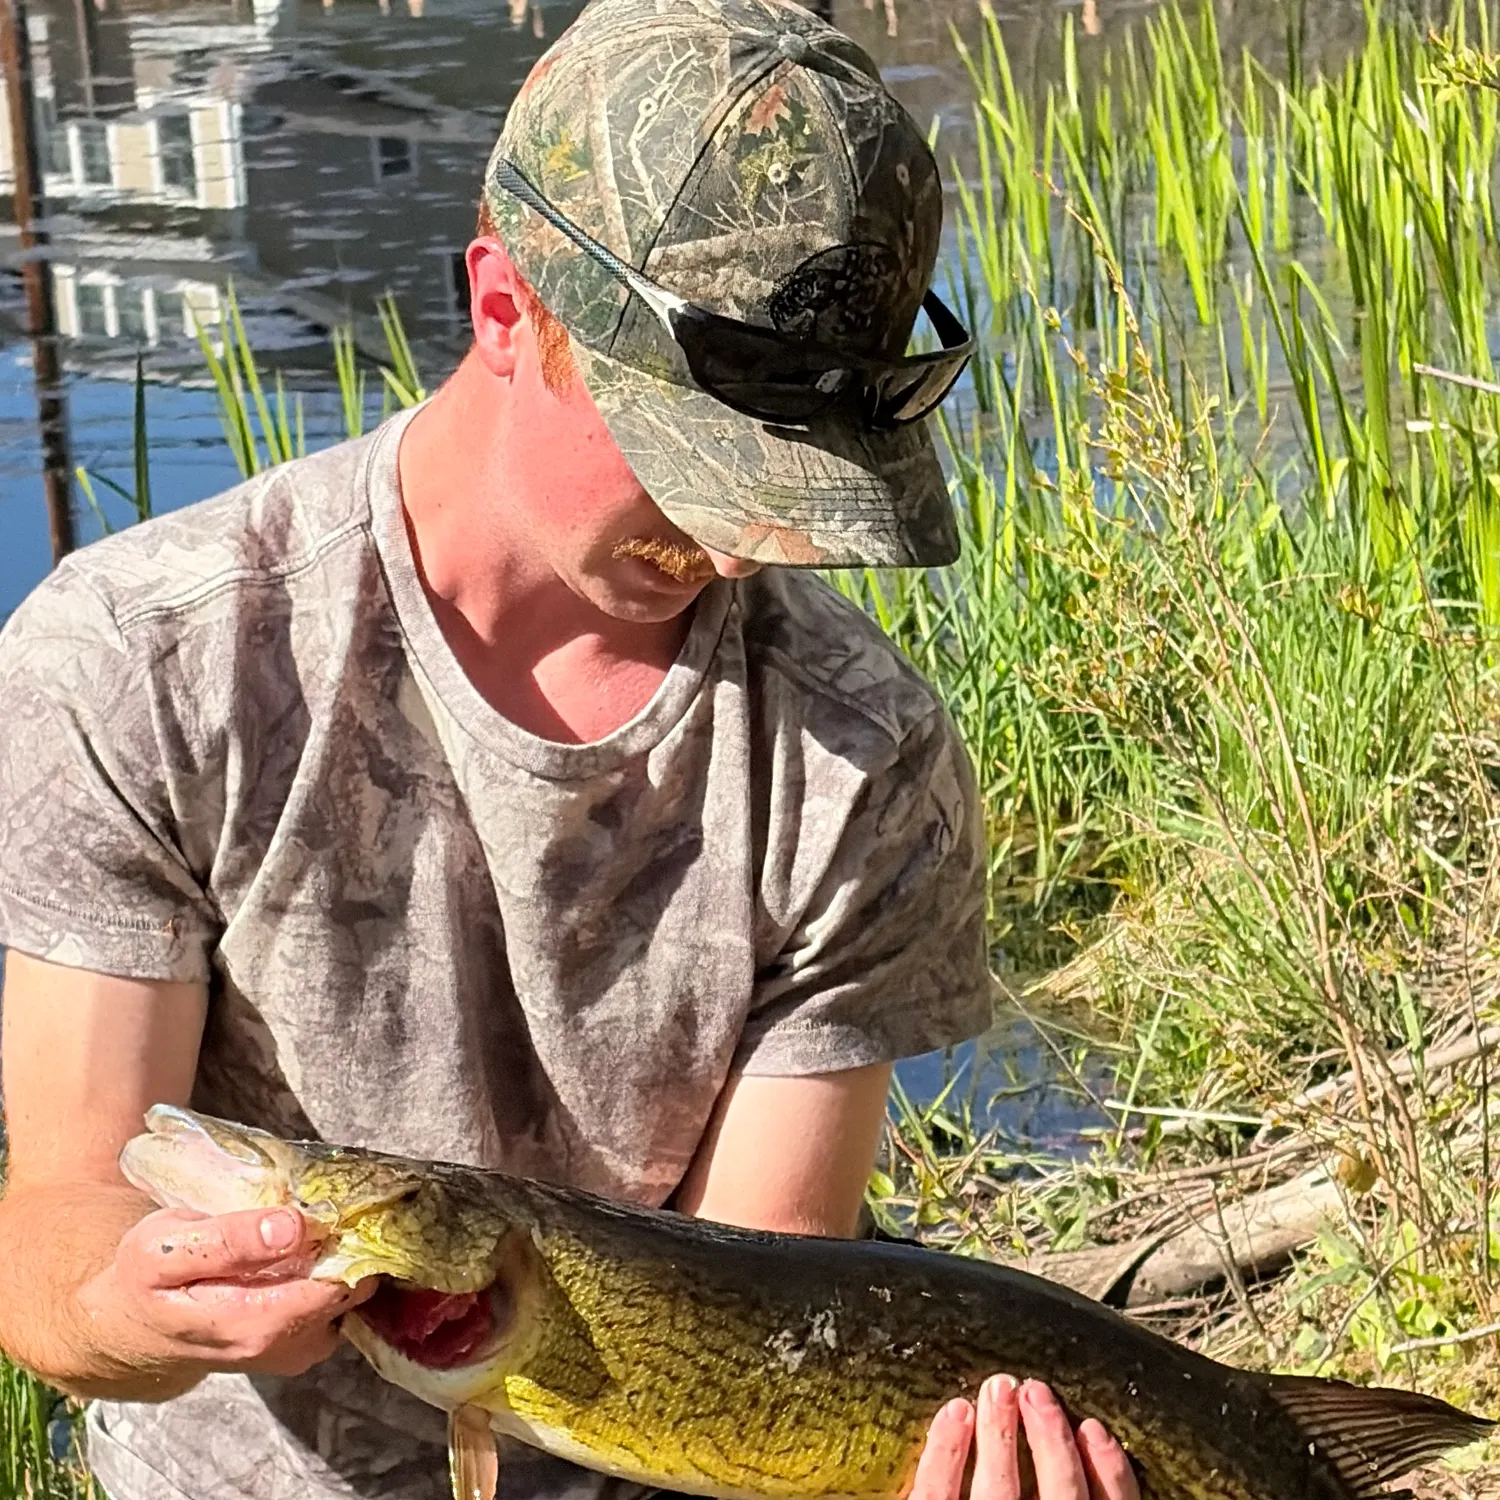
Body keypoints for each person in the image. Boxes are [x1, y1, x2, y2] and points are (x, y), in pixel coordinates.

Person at [0, 2, 1138, 1498]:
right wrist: (131, 1305)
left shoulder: (863, 762)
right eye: (699, 452)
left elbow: (765, 1317)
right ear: (502, 305)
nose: (746, 536)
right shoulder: (145, 658)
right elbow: (57, 1229)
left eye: (805, 472)